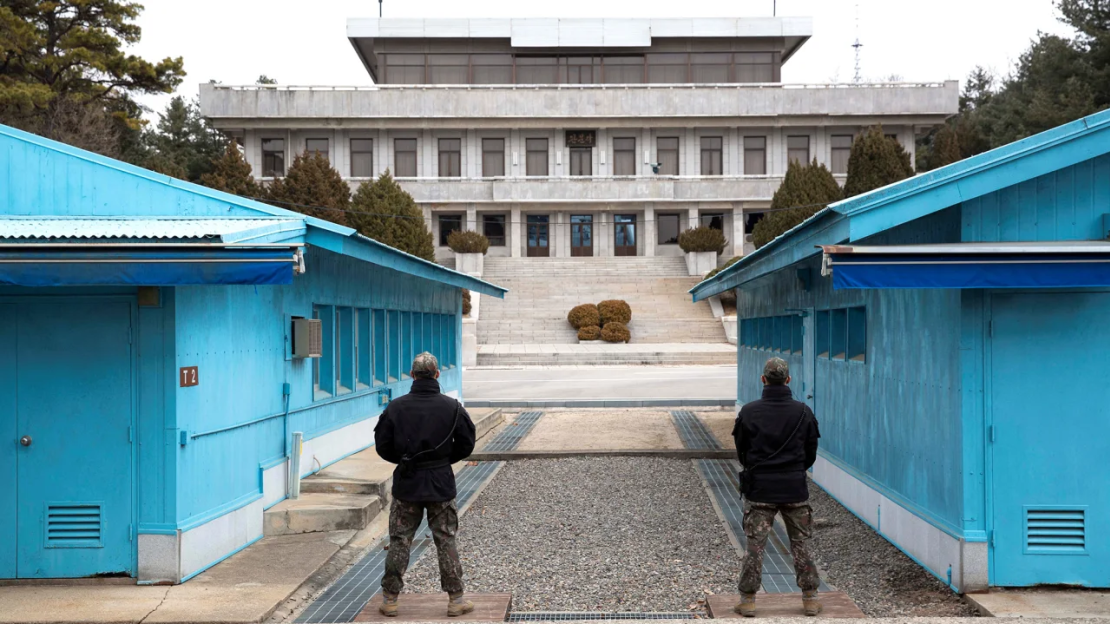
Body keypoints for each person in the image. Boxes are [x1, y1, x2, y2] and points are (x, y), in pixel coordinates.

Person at [374, 352, 477, 617]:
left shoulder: (395, 407)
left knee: (399, 540)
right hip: (440, 483)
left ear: (412, 375)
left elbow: (383, 447)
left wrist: (405, 460)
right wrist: (442, 460)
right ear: (437, 374)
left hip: (407, 484)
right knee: (445, 539)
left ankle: (390, 600)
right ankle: (456, 600)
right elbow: (466, 444)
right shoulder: (452, 407)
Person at [732, 357, 822, 617]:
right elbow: (811, 453)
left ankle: (748, 600)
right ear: (788, 380)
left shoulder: (748, 412)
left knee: (755, 546)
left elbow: (742, 452)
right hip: (794, 488)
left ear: (763, 380)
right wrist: (794, 469)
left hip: (760, 489)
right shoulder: (803, 412)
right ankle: (811, 599)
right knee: (801, 544)